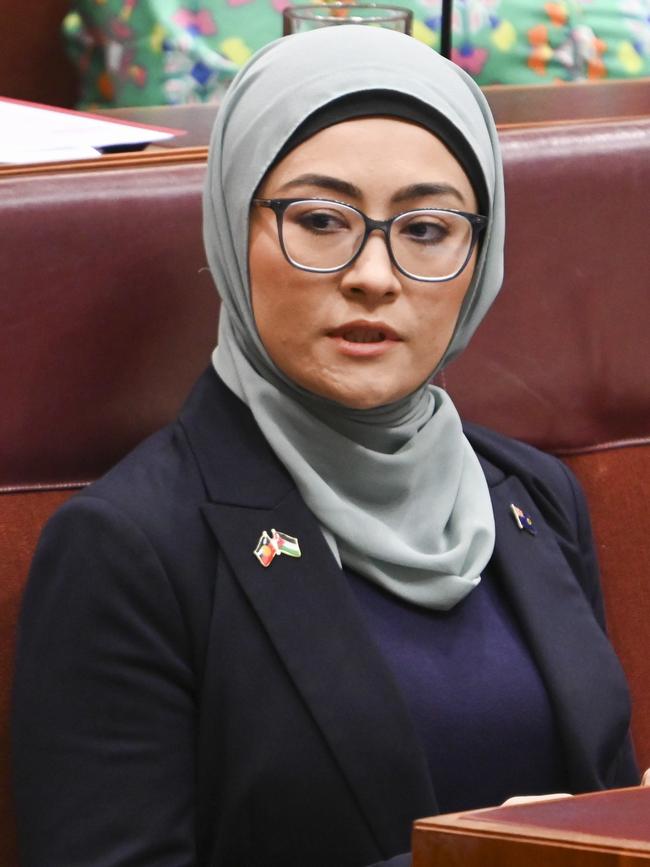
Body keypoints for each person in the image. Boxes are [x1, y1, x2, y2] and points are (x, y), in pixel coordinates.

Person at [12, 24, 639, 867]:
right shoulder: (129, 548)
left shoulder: (531, 495)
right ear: (236, 229)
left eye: (426, 229)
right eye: (319, 219)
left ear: (479, 259)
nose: (374, 274)